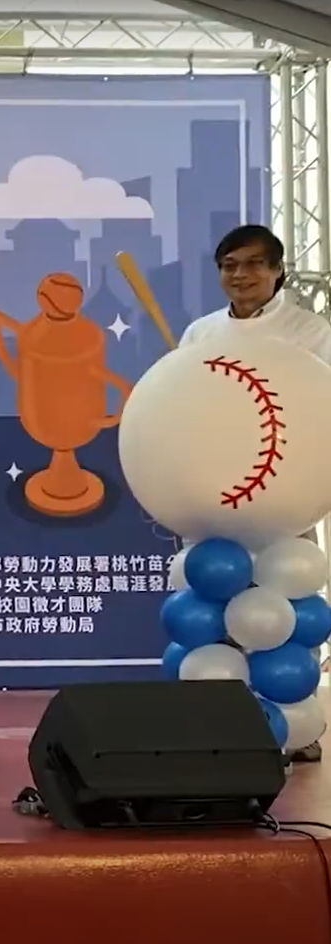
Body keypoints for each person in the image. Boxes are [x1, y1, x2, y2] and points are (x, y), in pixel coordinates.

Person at [180, 224, 331, 764]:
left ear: (277, 270)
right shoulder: (200, 333)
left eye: (253, 264)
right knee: (217, 601)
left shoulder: (309, 332)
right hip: (217, 489)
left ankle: (296, 722)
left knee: (285, 604)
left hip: (285, 490)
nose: (240, 275)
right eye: (229, 265)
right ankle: (222, 723)